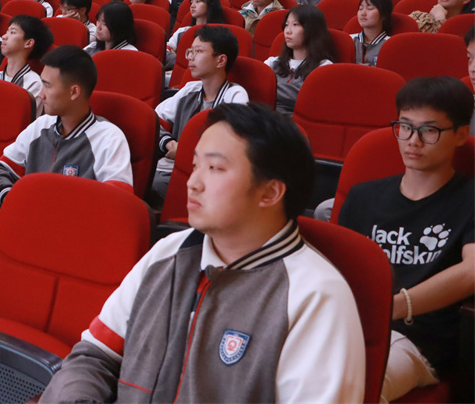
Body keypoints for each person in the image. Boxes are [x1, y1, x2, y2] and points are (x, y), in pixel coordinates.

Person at [41, 102, 366, 403]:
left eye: (214, 168)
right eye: (195, 165)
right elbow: (95, 355)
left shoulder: (316, 296)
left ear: (270, 192)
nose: (193, 183)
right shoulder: (169, 253)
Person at [338, 76, 474, 402]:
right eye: (405, 126)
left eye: (429, 130)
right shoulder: (363, 196)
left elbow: (472, 271)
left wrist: (394, 306)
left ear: (460, 134)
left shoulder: (470, 198)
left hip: (416, 342)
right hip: (348, 325)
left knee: (344, 387)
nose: (413, 141)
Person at [0, 45, 133, 209]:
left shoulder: (109, 138)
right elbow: (0, 168)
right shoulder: (41, 125)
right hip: (26, 217)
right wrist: (10, 199)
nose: (41, 94)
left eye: (47, 86)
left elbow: (118, 201)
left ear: (74, 92)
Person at [150, 26, 249, 204]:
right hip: (171, 167)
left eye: (199, 51)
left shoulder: (235, 96)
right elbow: (151, 119)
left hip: (209, 176)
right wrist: (169, 143)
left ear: (221, 60)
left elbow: (233, 146)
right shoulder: (190, 89)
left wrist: (185, 152)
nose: (190, 57)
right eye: (190, 51)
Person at [265, 5, 336, 116]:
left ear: (311, 30)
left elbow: (312, 104)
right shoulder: (273, 63)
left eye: (295, 25)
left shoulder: (323, 67)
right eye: (286, 25)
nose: (288, 31)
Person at [0, 14, 52, 117]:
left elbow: (23, 122)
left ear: (28, 43)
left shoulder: (34, 84)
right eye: (7, 31)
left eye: (12, 32)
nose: (4, 36)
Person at [166, 0, 225, 68]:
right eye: (191, 2)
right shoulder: (182, 31)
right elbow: (165, 53)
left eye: (198, 1)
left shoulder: (221, 34)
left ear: (210, 5)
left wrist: (179, 57)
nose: (192, 6)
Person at [350, 0, 393, 66]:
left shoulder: (390, 44)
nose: (363, 13)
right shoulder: (350, 40)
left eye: (370, 9)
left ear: (384, 15)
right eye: (360, 8)